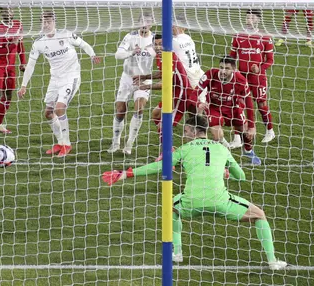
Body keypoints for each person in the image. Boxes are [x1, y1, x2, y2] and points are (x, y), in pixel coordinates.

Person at [102, 115, 287, 270]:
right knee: (259, 215)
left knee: (171, 207)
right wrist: (226, 171)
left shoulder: (184, 149)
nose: (184, 135)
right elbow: (242, 177)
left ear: (193, 131)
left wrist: (125, 174)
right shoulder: (223, 148)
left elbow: (158, 166)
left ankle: (178, 253)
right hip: (221, 202)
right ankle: (272, 261)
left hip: (191, 203)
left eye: (185, 131)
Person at [18, 11, 101, 157]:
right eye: (43, 21)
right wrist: (24, 85)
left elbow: (83, 44)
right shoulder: (39, 43)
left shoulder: (66, 35)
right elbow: (30, 65)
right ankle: (60, 142)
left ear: (54, 22)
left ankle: (67, 144)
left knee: (60, 108)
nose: (46, 24)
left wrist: (92, 54)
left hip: (71, 77)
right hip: (55, 79)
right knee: (48, 113)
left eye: (48, 21)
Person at [192, 56, 261, 165]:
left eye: (227, 68)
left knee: (246, 131)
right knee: (217, 134)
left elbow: (249, 103)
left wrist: (252, 126)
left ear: (233, 69)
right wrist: (198, 103)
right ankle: (222, 155)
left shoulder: (241, 80)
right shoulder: (210, 74)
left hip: (233, 108)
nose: (223, 71)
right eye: (221, 67)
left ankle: (248, 150)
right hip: (214, 107)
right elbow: (193, 94)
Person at [132, 34, 191, 160]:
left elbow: (166, 83)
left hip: (181, 94)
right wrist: (145, 77)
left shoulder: (170, 56)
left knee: (165, 124)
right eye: (156, 44)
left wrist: (146, 86)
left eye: (161, 44)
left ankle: (168, 155)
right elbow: (161, 74)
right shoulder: (160, 57)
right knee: (156, 114)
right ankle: (169, 148)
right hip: (172, 92)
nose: (158, 47)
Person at [107, 13, 156, 155]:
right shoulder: (130, 37)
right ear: (138, 22)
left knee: (139, 107)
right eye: (142, 21)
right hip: (127, 78)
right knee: (120, 110)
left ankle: (129, 145)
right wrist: (132, 52)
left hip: (144, 79)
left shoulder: (155, 40)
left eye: (148, 22)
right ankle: (115, 142)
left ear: (151, 24)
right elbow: (118, 55)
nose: (145, 24)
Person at [230, 9, 275, 145]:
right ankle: (237, 138)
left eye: (252, 18)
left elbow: (270, 60)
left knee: (261, 104)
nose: (249, 20)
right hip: (241, 77)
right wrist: (234, 68)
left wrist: (259, 68)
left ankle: (270, 131)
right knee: (238, 104)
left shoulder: (265, 37)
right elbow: (232, 57)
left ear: (258, 20)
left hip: (258, 78)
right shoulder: (238, 36)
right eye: (247, 18)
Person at [0, 6, 26, 140]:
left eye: (9, 10)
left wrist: (22, 62)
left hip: (11, 66)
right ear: (1, 13)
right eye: (4, 11)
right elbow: (1, 51)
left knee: (9, 95)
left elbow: (20, 45)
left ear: (13, 11)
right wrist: (13, 41)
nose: (7, 13)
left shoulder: (18, 25)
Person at [172, 13, 205, 89]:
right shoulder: (188, 38)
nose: (172, 27)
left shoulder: (174, 41)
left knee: (197, 99)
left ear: (184, 27)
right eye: (172, 24)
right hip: (198, 71)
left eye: (176, 25)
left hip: (190, 77)